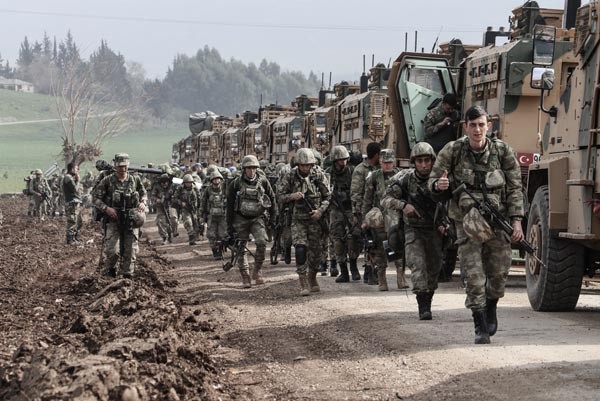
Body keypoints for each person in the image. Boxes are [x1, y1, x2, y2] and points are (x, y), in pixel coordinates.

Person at [428, 105, 524, 344]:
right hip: (465, 220)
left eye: (481, 125)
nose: (477, 130)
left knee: (499, 271)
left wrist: (517, 222)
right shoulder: (453, 151)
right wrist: (438, 186)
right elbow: (432, 181)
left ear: (488, 126)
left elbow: (514, 188)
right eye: (473, 125)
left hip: (497, 220)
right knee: (473, 273)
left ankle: (491, 305)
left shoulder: (502, 151)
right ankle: (479, 322)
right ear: (465, 127)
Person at [382, 143, 443, 319]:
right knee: (418, 266)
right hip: (413, 230)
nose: (423, 165)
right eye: (419, 161)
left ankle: (428, 298)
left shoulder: (440, 180)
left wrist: (445, 223)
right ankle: (423, 306)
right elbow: (385, 199)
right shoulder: (405, 179)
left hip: (434, 230)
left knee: (433, 269)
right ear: (414, 162)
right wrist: (404, 205)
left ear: (432, 161)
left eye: (427, 161)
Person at [278, 148, 330, 296]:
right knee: (300, 250)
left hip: (315, 219)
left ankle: (312, 277)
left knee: (316, 253)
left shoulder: (318, 175)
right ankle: (303, 282)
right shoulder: (290, 176)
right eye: (303, 165)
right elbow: (279, 196)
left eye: (308, 165)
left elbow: (328, 197)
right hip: (297, 219)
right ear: (298, 164)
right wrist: (291, 196)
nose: (305, 168)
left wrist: (320, 211)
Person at [92, 153, 148, 278]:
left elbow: (143, 193)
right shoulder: (107, 180)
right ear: (115, 166)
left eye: (125, 166)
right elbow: (95, 198)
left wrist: (143, 202)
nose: (123, 169)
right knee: (113, 251)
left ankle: (127, 278)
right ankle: (109, 274)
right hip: (113, 219)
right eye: (120, 166)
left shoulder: (135, 179)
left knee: (130, 251)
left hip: (131, 219)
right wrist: (107, 209)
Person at [227, 155, 277, 288]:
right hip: (240, 218)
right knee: (241, 248)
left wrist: (273, 219)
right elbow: (230, 205)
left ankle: (258, 269)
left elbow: (272, 200)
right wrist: (229, 225)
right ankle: (245, 275)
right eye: (249, 168)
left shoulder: (263, 182)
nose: (251, 171)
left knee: (262, 242)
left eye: (254, 168)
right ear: (244, 169)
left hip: (257, 218)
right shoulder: (236, 183)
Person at [363, 149, 409, 291]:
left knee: (398, 246)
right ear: (380, 163)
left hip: (397, 217)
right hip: (380, 218)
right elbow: (367, 199)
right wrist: (365, 219)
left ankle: (401, 277)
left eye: (390, 162)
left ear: (393, 162)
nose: (388, 165)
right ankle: (382, 278)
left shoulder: (401, 176)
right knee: (381, 248)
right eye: (385, 163)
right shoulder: (374, 177)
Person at [327, 145, 361, 283]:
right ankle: (343, 271)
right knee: (338, 240)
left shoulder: (353, 172)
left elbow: (358, 190)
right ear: (335, 161)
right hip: (335, 210)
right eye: (340, 160)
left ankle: (353, 266)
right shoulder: (329, 174)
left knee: (354, 238)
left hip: (350, 209)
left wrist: (356, 211)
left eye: (345, 159)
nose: (343, 162)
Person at [351, 142, 381, 282]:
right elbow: (356, 193)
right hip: (366, 210)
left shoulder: (380, 168)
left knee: (376, 241)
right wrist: (357, 214)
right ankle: (369, 271)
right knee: (369, 241)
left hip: (379, 210)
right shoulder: (360, 170)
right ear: (376, 155)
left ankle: (372, 270)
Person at [199, 170, 228, 258]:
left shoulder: (225, 189)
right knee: (211, 235)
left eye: (218, 179)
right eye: (214, 179)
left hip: (223, 216)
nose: (216, 181)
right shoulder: (208, 190)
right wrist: (201, 216)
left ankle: (221, 249)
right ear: (211, 180)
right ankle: (215, 251)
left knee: (223, 234)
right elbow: (203, 203)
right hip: (211, 216)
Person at [172, 174, 201, 245]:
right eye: (187, 182)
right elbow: (174, 198)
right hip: (185, 209)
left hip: (194, 209)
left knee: (196, 224)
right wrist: (181, 203)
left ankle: (196, 236)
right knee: (188, 222)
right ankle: (191, 238)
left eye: (190, 182)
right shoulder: (180, 188)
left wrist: (199, 208)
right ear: (184, 183)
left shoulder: (195, 188)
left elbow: (199, 198)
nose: (188, 184)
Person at [151, 173, 178, 244]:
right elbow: (153, 196)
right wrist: (157, 200)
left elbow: (177, 195)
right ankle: (165, 237)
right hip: (161, 207)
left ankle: (174, 231)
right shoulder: (156, 187)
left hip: (171, 205)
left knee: (173, 219)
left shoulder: (172, 186)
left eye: (166, 182)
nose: (165, 184)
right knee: (160, 222)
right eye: (163, 182)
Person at [63, 162, 83, 244]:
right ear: (71, 169)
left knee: (79, 221)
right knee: (72, 221)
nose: (77, 170)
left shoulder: (70, 177)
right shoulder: (68, 177)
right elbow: (75, 189)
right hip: (71, 203)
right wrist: (78, 181)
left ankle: (74, 237)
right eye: (76, 168)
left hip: (75, 202)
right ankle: (70, 240)